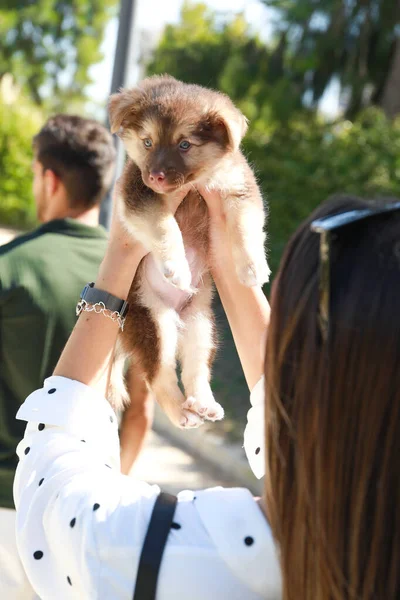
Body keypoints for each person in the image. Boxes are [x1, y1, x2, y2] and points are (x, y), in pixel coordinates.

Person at [13, 187, 400, 599]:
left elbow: (50, 472)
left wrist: (119, 262)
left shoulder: (155, 549)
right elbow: (289, 413)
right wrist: (226, 251)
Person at [0, 114, 120, 600]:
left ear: (49, 179)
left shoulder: (11, 266)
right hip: (93, 510)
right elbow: (142, 410)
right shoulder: (132, 273)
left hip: (7, 506)